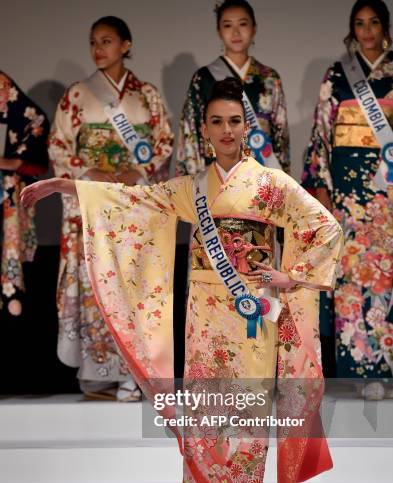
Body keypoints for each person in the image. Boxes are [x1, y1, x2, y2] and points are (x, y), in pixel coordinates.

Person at [22, 78, 343, 483]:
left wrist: (289, 275)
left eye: (235, 121)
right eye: (217, 121)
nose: (227, 129)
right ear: (204, 129)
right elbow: (135, 202)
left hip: (251, 317)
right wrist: (66, 185)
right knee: (207, 424)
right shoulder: (192, 187)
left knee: (245, 421)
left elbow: (325, 226)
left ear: (246, 126)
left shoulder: (272, 185)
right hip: (203, 319)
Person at [48, 15, 174, 401]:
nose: (98, 49)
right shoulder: (76, 96)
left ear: (126, 44)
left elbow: (164, 143)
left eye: (106, 41)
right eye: (93, 42)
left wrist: (136, 171)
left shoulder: (147, 96)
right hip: (91, 200)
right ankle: (95, 372)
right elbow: (58, 145)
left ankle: (131, 374)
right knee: (94, 282)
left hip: (131, 201)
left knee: (130, 283)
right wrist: (90, 170)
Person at [302, 0, 393, 400]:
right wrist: (320, 183)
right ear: (352, 28)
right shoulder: (338, 74)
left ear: (385, 26)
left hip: (388, 186)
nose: (367, 30)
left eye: (374, 22)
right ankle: (361, 368)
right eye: (360, 23)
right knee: (354, 276)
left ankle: (387, 366)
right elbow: (322, 129)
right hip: (349, 189)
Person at [176, 0, 290, 176]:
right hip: (216, 172)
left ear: (254, 28)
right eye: (228, 25)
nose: (236, 32)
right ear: (219, 31)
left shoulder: (269, 78)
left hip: (261, 173)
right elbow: (191, 133)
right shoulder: (203, 78)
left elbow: (280, 136)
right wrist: (193, 180)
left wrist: (281, 180)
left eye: (243, 24)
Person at [0, 71, 49, 315]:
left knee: (11, 234)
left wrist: (14, 162)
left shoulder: (4, 85)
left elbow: (37, 120)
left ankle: (11, 291)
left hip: (7, 183)